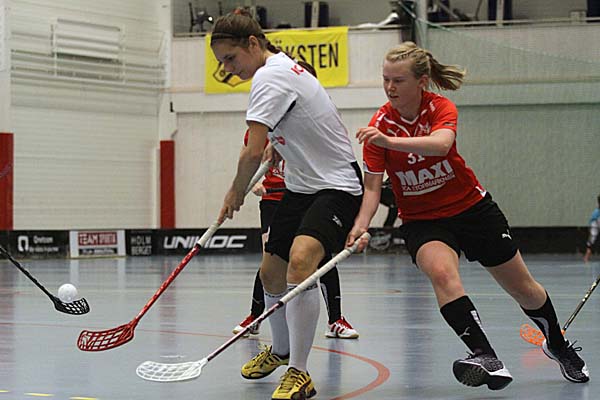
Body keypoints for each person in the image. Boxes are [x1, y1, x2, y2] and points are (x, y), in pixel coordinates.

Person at [346, 41, 589, 390]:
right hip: (423, 221)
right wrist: (360, 226)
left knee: (524, 289)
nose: (390, 87)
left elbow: (441, 144)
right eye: (385, 79)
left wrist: (389, 142)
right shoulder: (379, 126)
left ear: (421, 81)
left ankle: (558, 345)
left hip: (472, 210)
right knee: (443, 275)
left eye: (398, 80)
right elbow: (372, 189)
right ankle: (485, 356)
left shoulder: (438, 108)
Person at [211, 11, 364, 400]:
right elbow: (302, 120)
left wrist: (235, 192)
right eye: (221, 62)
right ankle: (280, 351)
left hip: (337, 186)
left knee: (301, 261)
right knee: (271, 274)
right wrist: (283, 145)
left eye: (230, 58)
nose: (227, 69)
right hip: (302, 186)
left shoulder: (269, 76)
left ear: (252, 44)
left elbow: (251, 151)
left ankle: (300, 372)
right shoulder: (282, 67)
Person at [233, 127, 359, 340]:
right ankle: (255, 318)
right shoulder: (258, 129)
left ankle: (335, 320)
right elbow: (247, 159)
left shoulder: (304, 124)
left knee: (322, 258)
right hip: (273, 202)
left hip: (307, 197)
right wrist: (253, 183)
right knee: (271, 259)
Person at [583, 194, 600, 263]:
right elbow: (594, 221)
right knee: (591, 241)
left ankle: (587, 256)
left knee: (591, 241)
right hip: (594, 226)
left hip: (594, 225)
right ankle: (587, 256)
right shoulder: (596, 212)